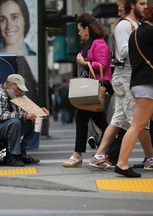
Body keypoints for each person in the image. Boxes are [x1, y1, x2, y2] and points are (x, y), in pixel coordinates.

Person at [89, 0, 153, 171]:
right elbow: (124, 51)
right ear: (132, 5)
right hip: (126, 76)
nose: (145, 6)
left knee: (120, 119)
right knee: (139, 122)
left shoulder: (136, 25)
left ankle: (99, 155)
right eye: (141, 3)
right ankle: (150, 159)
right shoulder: (125, 25)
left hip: (127, 76)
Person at [62, 13, 112, 168]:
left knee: (82, 118)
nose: (78, 33)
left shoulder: (99, 44)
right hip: (89, 88)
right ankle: (107, 152)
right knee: (103, 124)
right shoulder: (88, 45)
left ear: (87, 29)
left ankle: (78, 155)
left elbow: (102, 65)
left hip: (96, 87)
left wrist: (84, 62)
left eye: (79, 29)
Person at [0, 74, 49, 166]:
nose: (20, 91)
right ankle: (12, 156)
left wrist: (38, 112)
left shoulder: (13, 94)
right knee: (15, 122)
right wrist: (25, 115)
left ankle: (22, 152)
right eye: (18, 88)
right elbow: (0, 115)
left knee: (33, 121)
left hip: (2, 126)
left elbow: (24, 112)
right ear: (9, 85)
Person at [114, 4, 153, 177]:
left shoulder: (135, 34)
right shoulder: (150, 33)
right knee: (137, 125)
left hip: (138, 82)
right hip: (148, 85)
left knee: (137, 125)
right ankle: (121, 164)